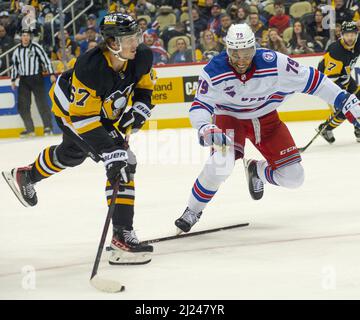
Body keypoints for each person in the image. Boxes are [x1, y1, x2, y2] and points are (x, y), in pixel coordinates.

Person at [174, 23, 360, 233]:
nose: (241, 59)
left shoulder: (276, 63)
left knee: (294, 178)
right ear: (228, 50)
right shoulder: (214, 70)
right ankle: (192, 210)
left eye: (246, 52)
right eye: (236, 53)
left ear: (254, 48)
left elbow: (316, 81)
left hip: (266, 119)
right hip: (229, 118)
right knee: (221, 164)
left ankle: (257, 171)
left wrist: (344, 100)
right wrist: (205, 127)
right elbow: (199, 105)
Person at [2, 13, 157, 265]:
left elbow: (144, 88)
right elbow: (83, 119)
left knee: (71, 154)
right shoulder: (90, 66)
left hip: (100, 114)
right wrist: (111, 151)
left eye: (136, 36)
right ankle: (121, 236)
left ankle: (27, 175)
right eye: (128, 38)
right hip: (71, 112)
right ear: (112, 43)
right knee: (123, 163)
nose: (135, 43)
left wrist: (139, 109)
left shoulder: (142, 56)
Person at [317, 21, 360, 143]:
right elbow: (331, 80)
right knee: (343, 110)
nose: (350, 38)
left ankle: (358, 128)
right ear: (341, 35)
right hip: (328, 82)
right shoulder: (336, 51)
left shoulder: (357, 43)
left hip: (344, 76)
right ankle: (325, 128)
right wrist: (345, 94)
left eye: (352, 34)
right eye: (347, 35)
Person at [11, 29, 56, 137]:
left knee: (42, 103)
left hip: (36, 78)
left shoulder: (36, 47)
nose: (25, 37)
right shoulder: (17, 51)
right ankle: (30, 129)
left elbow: (46, 60)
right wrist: (13, 80)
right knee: (23, 106)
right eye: (23, 36)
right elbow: (14, 66)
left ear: (30, 37)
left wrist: (52, 73)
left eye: (27, 35)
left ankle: (47, 127)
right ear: (21, 38)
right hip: (24, 80)